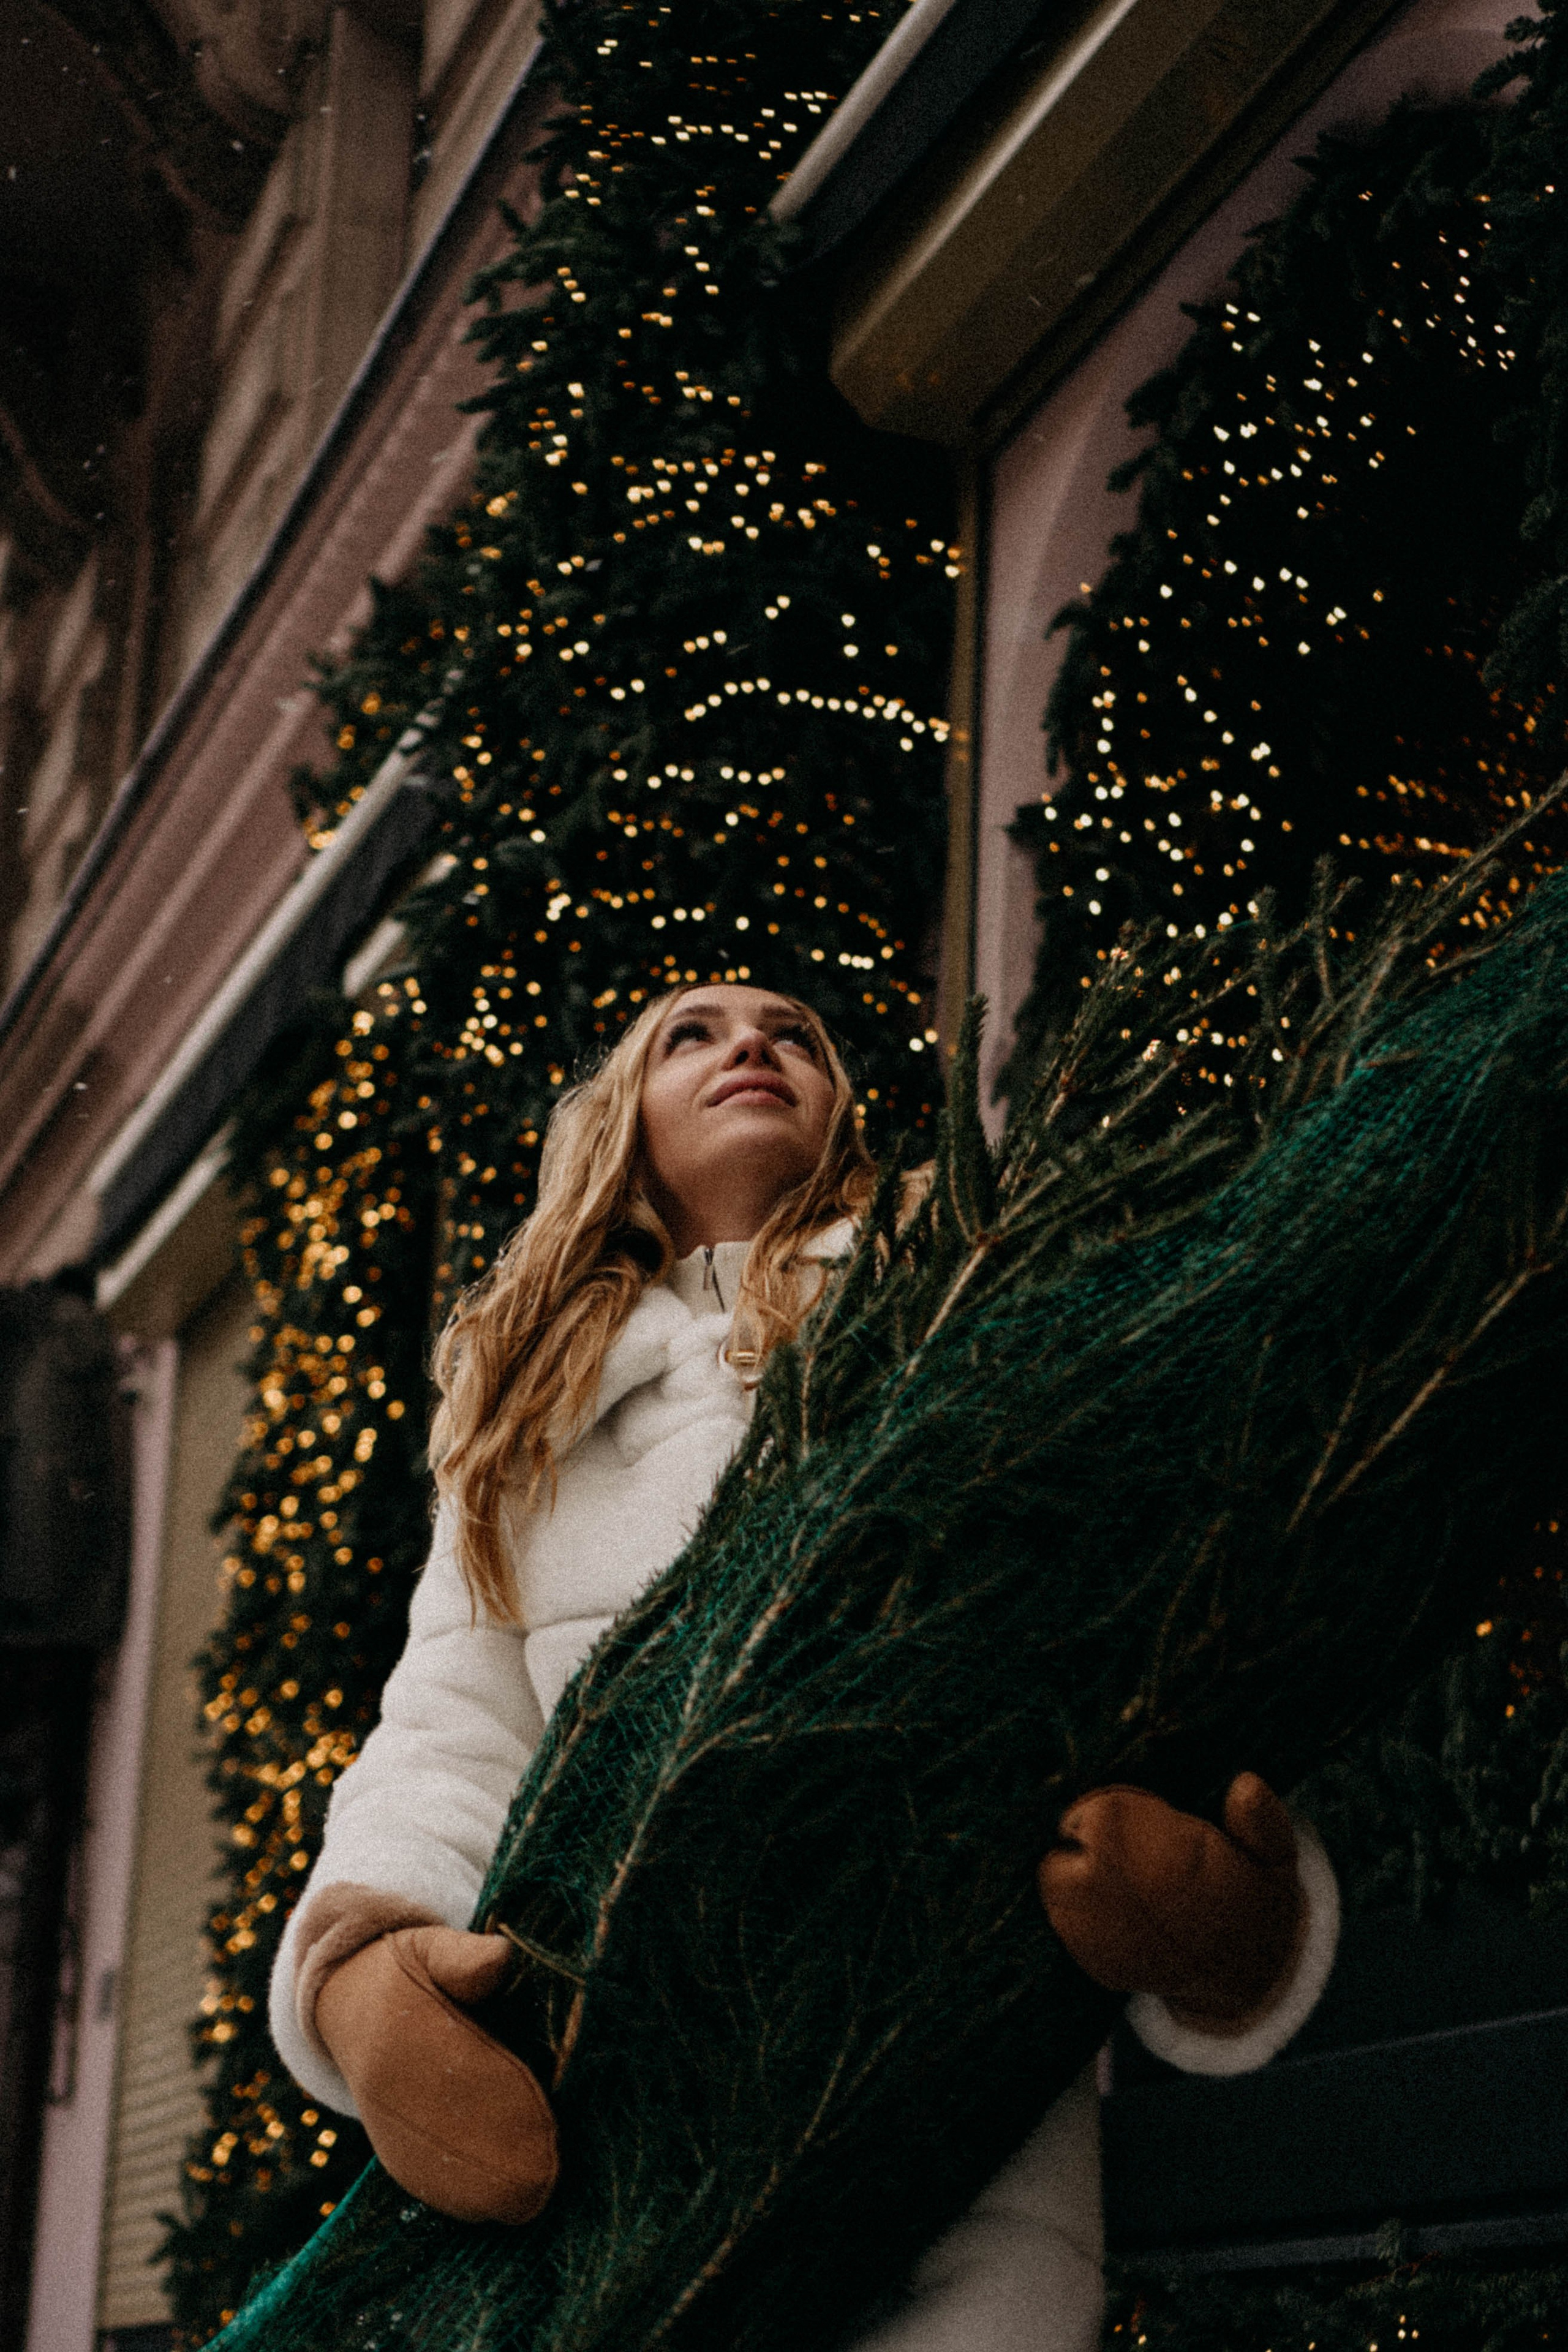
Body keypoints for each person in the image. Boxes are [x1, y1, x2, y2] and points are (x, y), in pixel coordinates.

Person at [269, 984, 1340, 2351]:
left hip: (958, 2063)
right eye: (691, 1034)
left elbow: (1127, 1617)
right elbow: (449, 1736)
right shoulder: (528, 1429)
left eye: (794, 1034)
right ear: (618, 1125)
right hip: (643, 2096)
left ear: (838, 1113)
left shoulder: (957, 1309)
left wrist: (1232, 1925)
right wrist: (358, 1974)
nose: (750, 1046)